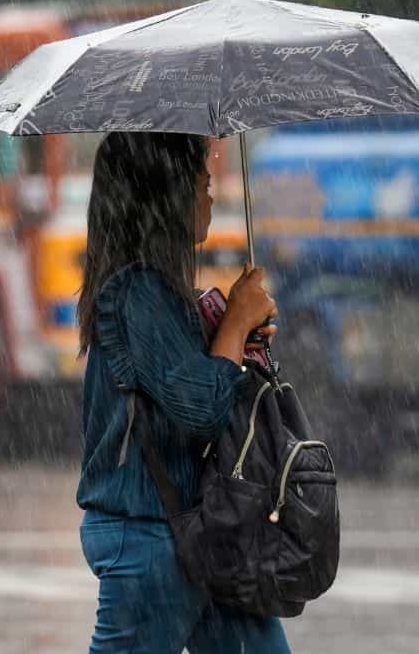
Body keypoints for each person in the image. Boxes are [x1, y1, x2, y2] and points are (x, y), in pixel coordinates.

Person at [75, 132, 288, 654]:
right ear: (167, 196)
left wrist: (237, 329)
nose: (209, 197)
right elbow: (202, 407)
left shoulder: (165, 296)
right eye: (202, 184)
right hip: (151, 538)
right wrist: (234, 324)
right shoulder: (135, 293)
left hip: (204, 530)